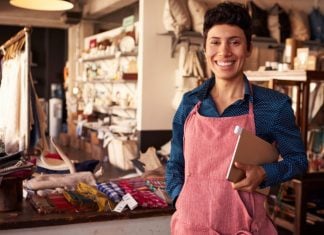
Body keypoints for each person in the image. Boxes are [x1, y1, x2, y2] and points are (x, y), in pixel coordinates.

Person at [165, 2, 308, 234]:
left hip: (244, 227)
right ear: (204, 48)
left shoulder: (273, 106)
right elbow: (175, 163)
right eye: (215, 42)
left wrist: (264, 173)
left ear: (248, 48)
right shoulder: (190, 103)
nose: (224, 52)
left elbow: (298, 161)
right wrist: (179, 198)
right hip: (190, 227)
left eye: (235, 42)